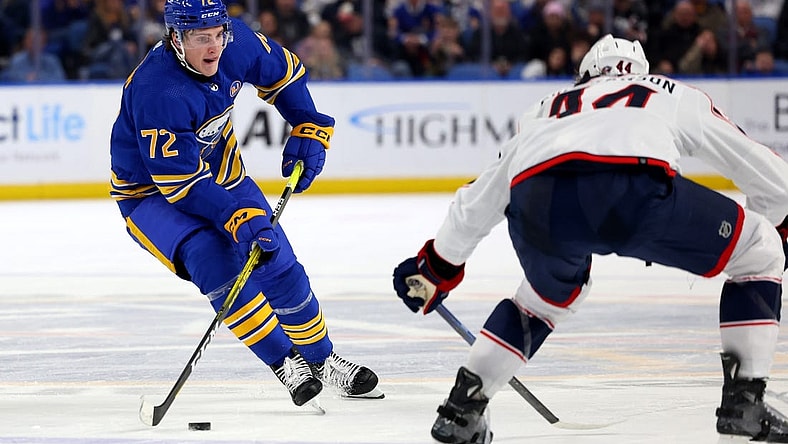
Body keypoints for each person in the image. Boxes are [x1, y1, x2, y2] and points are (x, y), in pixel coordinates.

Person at [393, 34, 788, 443]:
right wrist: (779, 226)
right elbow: (751, 159)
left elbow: (482, 195)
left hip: (539, 203)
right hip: (633, 191)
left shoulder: (545, 109)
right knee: (759, 251)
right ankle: (746, 404)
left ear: (583, 76)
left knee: (543, 299)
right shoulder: (666, 90)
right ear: (641, 71)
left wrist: (437, 266)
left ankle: (462, 409)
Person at [109, 0, 382, 409]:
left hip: (222, 174)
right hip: (150, 196)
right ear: (176, 38)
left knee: (277, 259)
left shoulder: (235, 42)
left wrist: (307, 121)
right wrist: (235, 215)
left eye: (218, 34)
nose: (215, 47)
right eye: (202, 38)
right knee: (213, 257)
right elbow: (180, 184)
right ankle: (284, 361)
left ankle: (322, 361)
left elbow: (285, 73)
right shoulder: (157, 90)